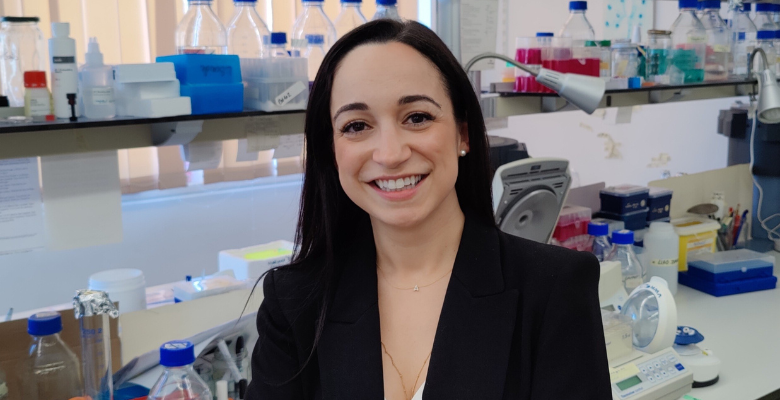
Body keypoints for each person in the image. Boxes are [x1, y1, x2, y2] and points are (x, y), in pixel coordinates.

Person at [246, 19, 611, 399]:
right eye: (356, 126)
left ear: (462, 134)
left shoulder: (554, 288)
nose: (390, 154)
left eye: (417, 118)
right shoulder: (294, 301)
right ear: (331, 149)